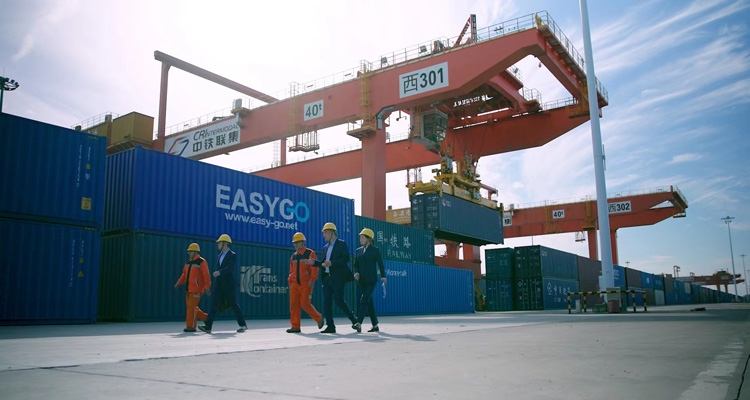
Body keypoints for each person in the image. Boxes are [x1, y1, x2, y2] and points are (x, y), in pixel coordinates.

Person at [303, 222, 357, 333]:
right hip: (327, 278)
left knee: (339, 301)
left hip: (337, 278)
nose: (324, 235)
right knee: (326, 303)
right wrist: (314, 262)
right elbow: (323, 263)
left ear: (332, 232)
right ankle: (330, 326)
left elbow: (345, 259)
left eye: (325, 233)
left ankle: (354, 320)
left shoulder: (341, 244)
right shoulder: (325, 248)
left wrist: (332, 263)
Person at [198, 234, 248, 333]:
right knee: (214, 304)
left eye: (219, 243)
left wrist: (219, 272)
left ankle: (243, 325)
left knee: (233, 304)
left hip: (229, 284)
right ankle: (208, 326)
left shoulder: (232, 255)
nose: (218, 244)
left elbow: (231, 267)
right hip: (219, 284)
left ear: (225, 243)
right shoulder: (219, 256)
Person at [286, 232, 324, 333]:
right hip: (294, 284)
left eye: (298, 242)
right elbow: (291, 271)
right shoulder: (293, 256)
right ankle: (295, 326)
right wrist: (290, 281)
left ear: (303, 242)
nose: (296, 244)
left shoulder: (309, 253)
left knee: (305, 304)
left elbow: (314, 268)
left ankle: (319, 318)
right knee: (293, 305)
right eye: (295, 242)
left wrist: (312, 280)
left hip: (306, 284)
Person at [352, 228, 387, 333]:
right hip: (361, 281)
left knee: (364, 299)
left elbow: (380, 264)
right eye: (360, 237)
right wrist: (356, 272)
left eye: (362, 237)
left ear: (369, 239)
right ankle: (375, 325)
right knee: (369, 302)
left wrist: (383, 276)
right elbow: (355, 265)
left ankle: (358, 323)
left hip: (371, 280)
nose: (360, 239)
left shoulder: (375, 250)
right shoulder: (358, 250)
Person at [174, 243, 211, 332]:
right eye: (189, 252)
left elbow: (206, 275)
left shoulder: (202, 262)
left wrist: (207, 287)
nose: (189, 253)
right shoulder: (188, 262)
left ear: (196, 252)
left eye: (190, 251)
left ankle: (190, 326)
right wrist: (178, 283)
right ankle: (206, 318)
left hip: (197, 289)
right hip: (188, 289)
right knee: (192, 307)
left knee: (191, 308)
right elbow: (184, 274)